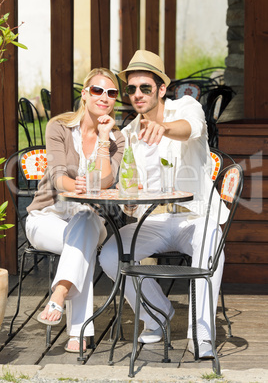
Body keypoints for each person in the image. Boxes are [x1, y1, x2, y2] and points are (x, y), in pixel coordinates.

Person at [99, 50, 229, 359]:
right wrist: (128, 199)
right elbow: (125, 185)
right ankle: (157, 313)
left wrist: (164, 128)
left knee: (211, 245)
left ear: (161, 89)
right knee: (109, 254)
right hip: (153, 221)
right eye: (131, 89)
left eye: (145, 87)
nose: (137, 95)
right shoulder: (129, 134)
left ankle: (202, 333)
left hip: (195, 216)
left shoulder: (186, 107)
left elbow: (191, 129)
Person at [25, 68, 125, 353]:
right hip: (47, 218)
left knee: (84, 221)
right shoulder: (58, 127)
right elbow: (56, 175)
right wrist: (75, 186)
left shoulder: (118, 138)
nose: (104, 97)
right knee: (82, 244)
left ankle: (59, 293)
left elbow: (106, 180)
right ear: (84, 94)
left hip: (90, 219)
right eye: (97, 90)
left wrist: (104, 137)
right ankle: (79, 332)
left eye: (111, 92)